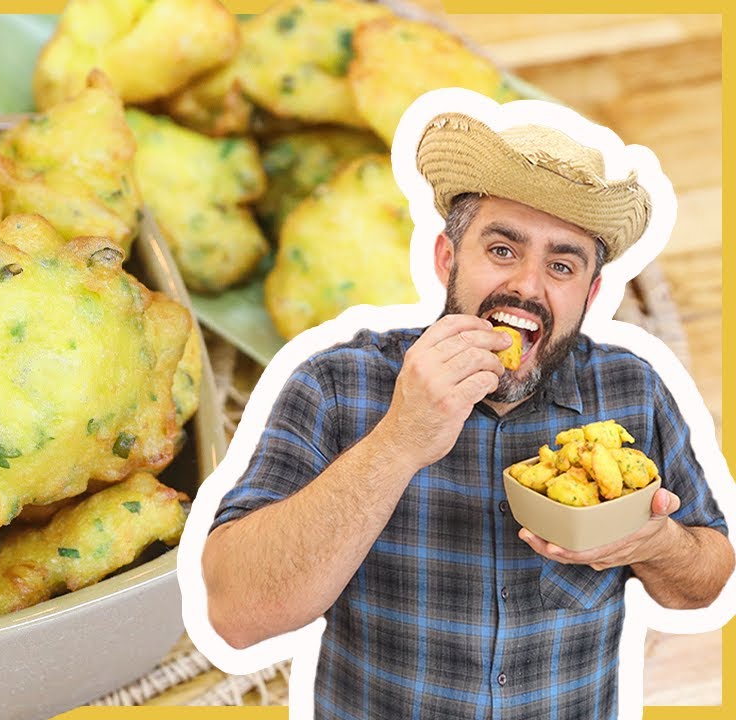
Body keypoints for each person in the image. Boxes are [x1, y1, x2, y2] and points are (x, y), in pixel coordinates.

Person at [201, 111, 734, 719]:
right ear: (446, 259)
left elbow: (706, 582)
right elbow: (236, 614)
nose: (528, 286)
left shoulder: (630, 389)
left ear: (590, 295)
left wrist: (656, 542)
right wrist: (400, 439)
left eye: (561, 266)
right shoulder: (336, 383)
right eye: (502, 249)